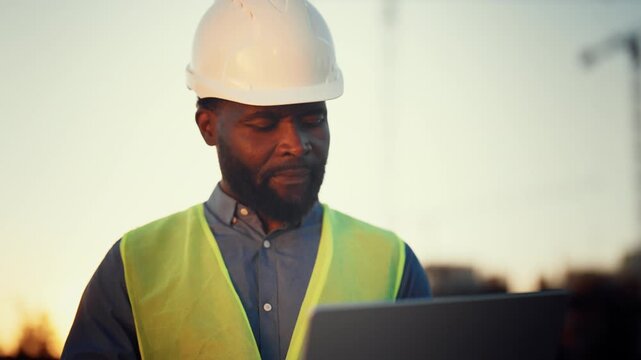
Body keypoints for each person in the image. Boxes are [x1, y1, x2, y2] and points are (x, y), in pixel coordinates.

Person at [62, 0, 431, 359]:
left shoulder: (393, 264)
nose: (295, 145)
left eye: (312, 119)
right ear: (208, 127)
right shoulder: (134, 266)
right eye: (264, 124)